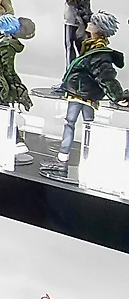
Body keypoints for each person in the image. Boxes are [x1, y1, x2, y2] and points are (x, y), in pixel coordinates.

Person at [44, 12, 125, 179]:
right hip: (80, 91)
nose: (89, 23)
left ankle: (75, 159)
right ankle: (64, 159)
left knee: (81, 125)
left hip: (83, 93)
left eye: (93, 22)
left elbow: (106, 76)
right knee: (78, 124)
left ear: (99, 28)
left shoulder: (99, 51)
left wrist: (117, 96)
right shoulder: (91, 45)